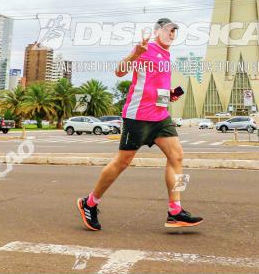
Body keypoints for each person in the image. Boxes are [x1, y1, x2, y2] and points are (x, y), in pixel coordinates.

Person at [77, 18, 203, 231]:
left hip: (160, 116)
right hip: (138, 116)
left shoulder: (166, 55)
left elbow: (155, 85)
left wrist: (168, 95)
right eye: (168, 31)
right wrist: (135, 53)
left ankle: (175, 210)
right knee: (122, 162)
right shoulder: (146, 49)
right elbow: (119, 71)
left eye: (174, 32)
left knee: (177, 156)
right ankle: (89, 203)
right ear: (157, 32)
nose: (171, 35)